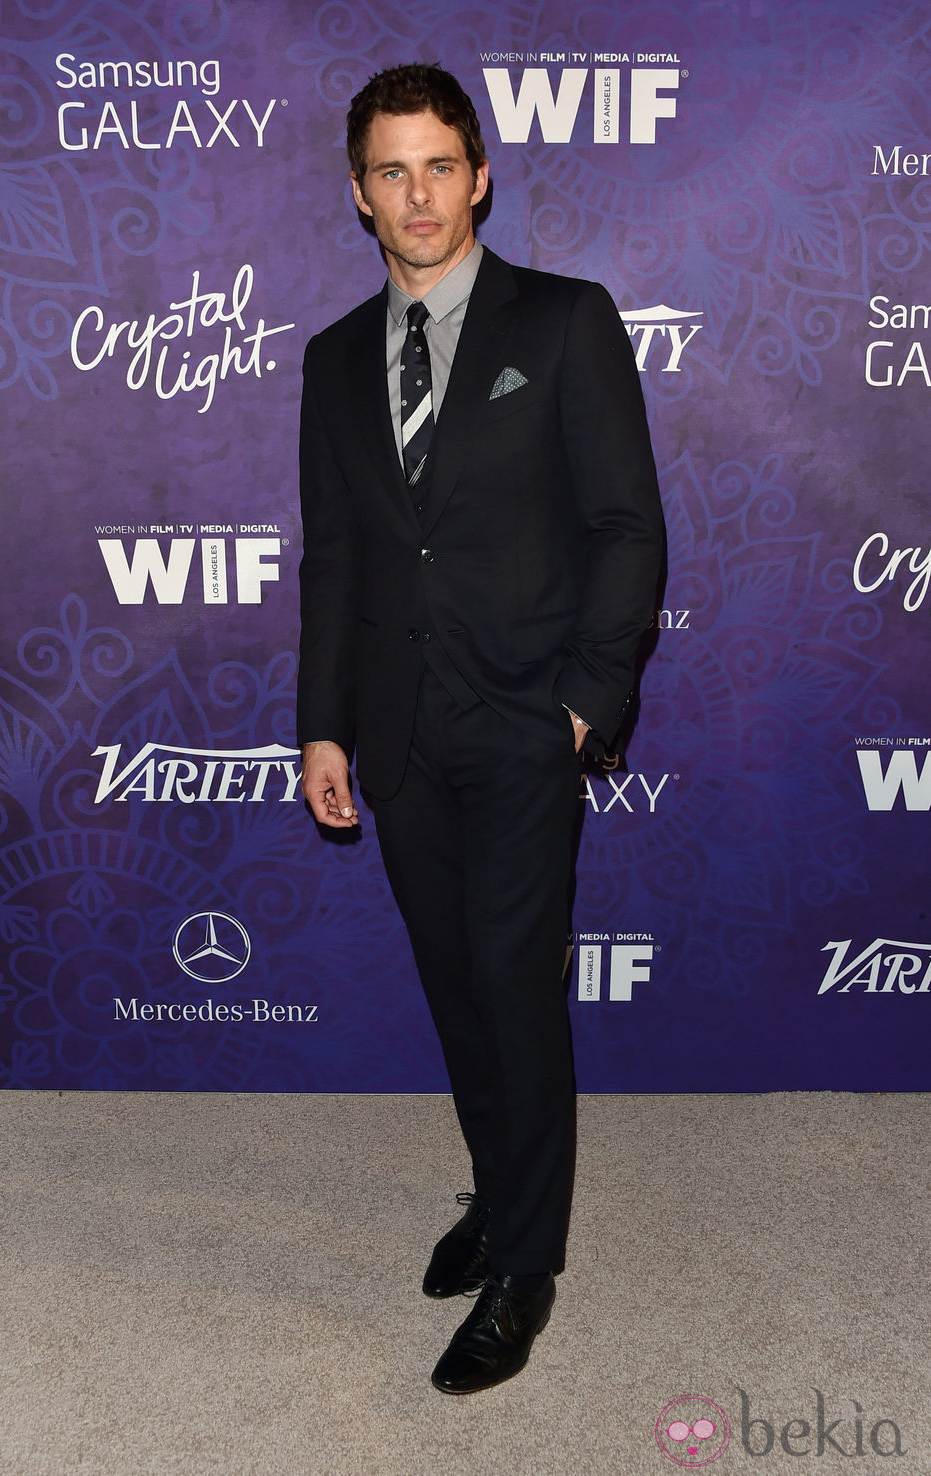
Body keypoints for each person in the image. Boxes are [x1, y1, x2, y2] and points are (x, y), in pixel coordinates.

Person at [297, 63, 664, 1394]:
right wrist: (322, 726)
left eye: (439, 165)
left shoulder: (564, 323)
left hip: (525, 728)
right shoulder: (334, 360)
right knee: (457, 988)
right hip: (397, 735)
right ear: (359, 194)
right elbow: (333, 559)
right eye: (391, 171)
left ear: (481, 174)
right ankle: (500, 1196)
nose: (419, 194)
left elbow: (628, 529)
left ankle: (528, 1267)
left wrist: (584, 705)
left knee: (515, 989)